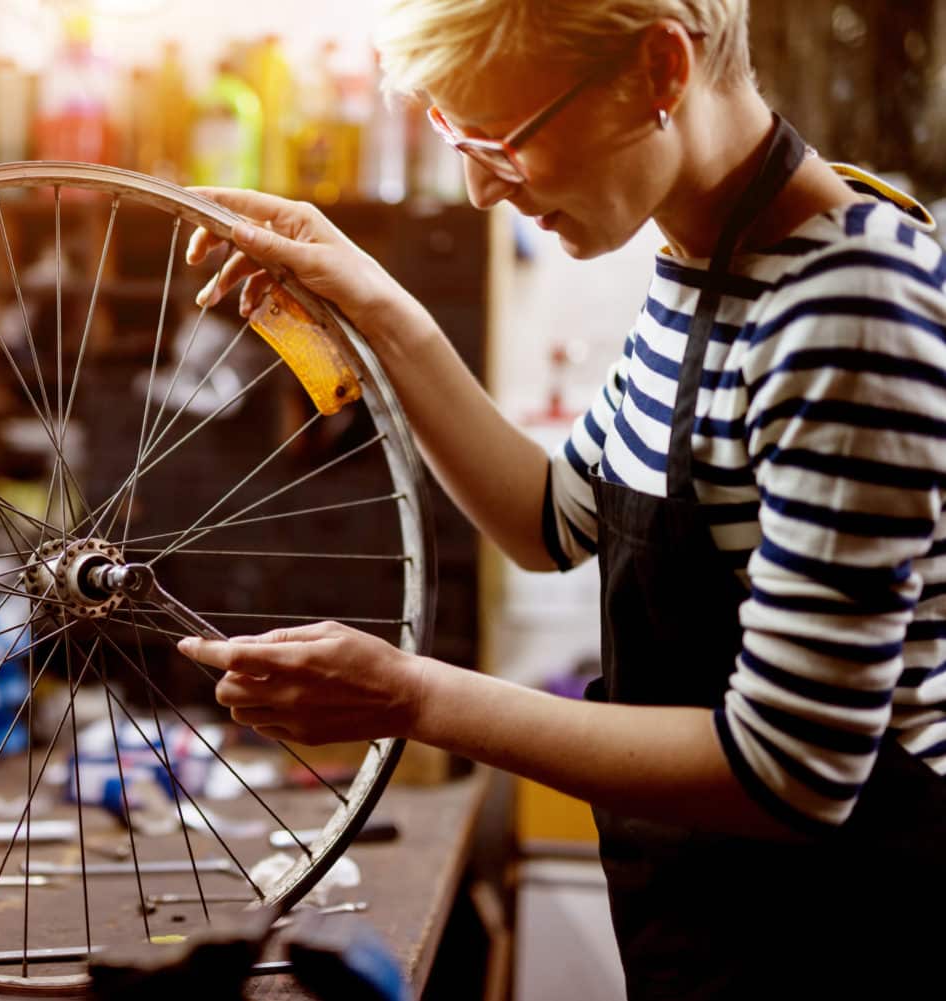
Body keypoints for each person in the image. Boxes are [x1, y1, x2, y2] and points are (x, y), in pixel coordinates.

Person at [177, 1, 946, 995]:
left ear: (660, 71)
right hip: (724, 921)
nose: (480, 188)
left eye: (503, 140)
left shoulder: (847, 302)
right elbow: (558, 519)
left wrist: (414, 696)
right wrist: (373, 300)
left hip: (853, 934)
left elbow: (793, 765)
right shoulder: (707, 257)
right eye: (458, 141)